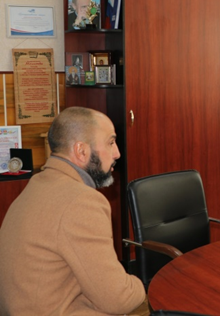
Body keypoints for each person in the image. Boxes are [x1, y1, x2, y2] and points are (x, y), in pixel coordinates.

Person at [0, 107, 146, 315]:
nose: (117, 153)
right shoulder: (81, 201)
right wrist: (143, 286)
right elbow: (119, 299)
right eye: (111, 142)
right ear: (81, 151)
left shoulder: (39, 183)